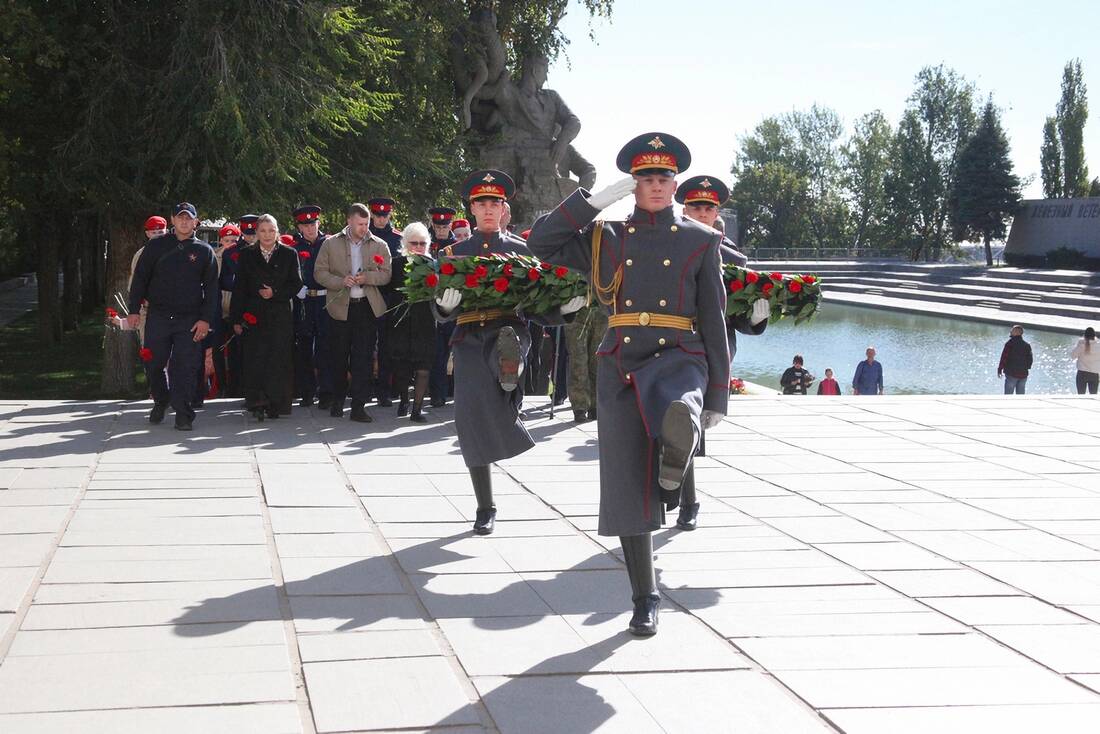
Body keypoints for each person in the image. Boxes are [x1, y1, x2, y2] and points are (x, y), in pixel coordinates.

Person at [528, 132, 730, 637]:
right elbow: (540, 243)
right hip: (621, 359)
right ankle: (645, 596)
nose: (656, 186)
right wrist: (594, 200)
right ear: (634, 185)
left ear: (675, 184)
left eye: (664, 178)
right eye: (646, 179)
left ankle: (677, 448)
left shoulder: (700, 240)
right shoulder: (606, 236)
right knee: (624, 484)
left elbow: (714, 319)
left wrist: (718, 396)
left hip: (679, 354)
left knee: (678, 405)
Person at [432, 169, 585, 536]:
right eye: (481, 203)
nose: (488, 209)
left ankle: (509, 372)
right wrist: (445, 305)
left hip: (510, 328)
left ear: (504, 209)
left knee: (507, 353)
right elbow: (436, 311)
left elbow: (537, 304)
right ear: (471, 209)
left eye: (494, 203)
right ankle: (485, 507)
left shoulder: (522, 250)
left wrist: (564, 311)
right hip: (469, 335)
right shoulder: (453, 253)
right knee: (469, 419)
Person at [674, 175, 768, 531]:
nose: (702, 213)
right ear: (685, 209)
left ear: (717, 213)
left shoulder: (733, 257)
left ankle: (687, 500)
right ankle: (682, 497)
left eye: (708, 207)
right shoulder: (665, 243)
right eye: (696, 207)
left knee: (686, 423)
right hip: (671, 341)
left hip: (710, 348)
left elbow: (742, 316)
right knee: (675, 423)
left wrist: (756, 318)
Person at [127, 203, 218, 431]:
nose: (184, 222)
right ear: (173, 220)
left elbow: (212, 290)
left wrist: (205, 319)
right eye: (180, 218)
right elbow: (140, 279)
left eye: (189, 218)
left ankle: (183, 412)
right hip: (158, 316)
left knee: (184, 366)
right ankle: (161, 399)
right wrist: (133, 311)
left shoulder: (205, 251)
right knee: (153, 362)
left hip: (189, 319)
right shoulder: (156, 246)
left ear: (196, 222)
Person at [314, 203, 392, 423]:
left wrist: (368, 278)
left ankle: (359, 405)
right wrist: (340, 282)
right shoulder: (330, 244)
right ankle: (338, 399)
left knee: (364, 358)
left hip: (366, 307)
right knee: (338, 356)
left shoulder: (379, 244)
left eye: (366, 224)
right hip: (339, 308)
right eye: (360, 224)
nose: (364, 228)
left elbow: (386, 274)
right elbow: (319, 272)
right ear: (349, 221)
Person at [229, 214, 302, 420]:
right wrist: (236, 319)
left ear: (277, 232)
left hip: (279, 314)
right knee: (255, 359)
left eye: (271, 230)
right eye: (263, 231)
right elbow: (239, 288)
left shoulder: (289, 254)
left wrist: (275, 292)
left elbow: (296, 284)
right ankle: (257, 402)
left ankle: (276, 404)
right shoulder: (247, 255)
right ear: (256, 233)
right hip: (254, 314)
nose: (267, 235)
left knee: (278, 359)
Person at [387, 222, 437, 422]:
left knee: (424, 366)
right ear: (405, 243)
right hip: (401, 320)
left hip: (424, 321)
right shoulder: (397, 263)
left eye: (422, 243)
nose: (418, 247)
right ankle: (404, 400)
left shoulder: (433, 265)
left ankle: (417, 409)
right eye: (414, 243)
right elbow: (389, 290)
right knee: (401, 366)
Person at [291, 205, 333, 409]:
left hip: (325, 299)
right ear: (299, 227)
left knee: (326, 348)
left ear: (318, 223)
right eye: (305, 225)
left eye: (313, 224)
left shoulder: (330, 243)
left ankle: (326, 392)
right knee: (304, 347)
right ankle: (307, 392)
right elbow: (288, 273)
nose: (310, 229)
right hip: (304, 300)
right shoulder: (294, 247)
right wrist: (295, 287)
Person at [219, 214, 258, 398]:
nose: (251, 237)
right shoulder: (232, 252)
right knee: (238, 351)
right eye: (248, 233)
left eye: (253, 233)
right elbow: (225, 281)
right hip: (240, 305)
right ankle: (237, 388)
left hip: (263, 305)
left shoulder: (269, 248)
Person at [369, 197, 402, 407]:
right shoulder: (364, 235)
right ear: (372, 214)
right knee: (364, 344)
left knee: (387, 347)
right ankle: (363, 387)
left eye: (385, 215)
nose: (381, 220)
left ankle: (384, 390)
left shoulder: (397, 238)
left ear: (389, 215)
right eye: (377, 215)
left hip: (390, 297)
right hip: (367, 294)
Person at [428, 207, 458, 407]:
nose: (441, 230)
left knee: (456, 353)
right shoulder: (426, 244)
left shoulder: (459, 246)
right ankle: (437, 394)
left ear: (450, 225)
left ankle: (455, 392)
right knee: (436, 354)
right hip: (431, 306)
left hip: (454, 305)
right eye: (438, 226)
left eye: (444, 226)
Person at [128, 216, 169, 345]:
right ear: (147, 234)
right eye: (153, 232)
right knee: (150, 351)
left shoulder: (175, 251)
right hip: (148, 310)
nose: (157, 236)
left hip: (172, 311)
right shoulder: (140, 255)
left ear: (166, 232)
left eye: (160, 232)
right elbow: (135, 284)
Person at [564, 301, 608, 423]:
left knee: (597, 360)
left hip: (601, 309)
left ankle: (594, 405)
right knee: (579, 360)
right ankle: (579, 407)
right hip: (577, 309)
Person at [997, 325, 1033, 395]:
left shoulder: (1010, 344)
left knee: (1008, 396)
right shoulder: (1027, 345)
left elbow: (1004, 357)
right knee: (1020, 396)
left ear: (1017, 332)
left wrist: (999, 369)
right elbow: (1030, 359)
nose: (1010, 331)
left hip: (1011, 373)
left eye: (1012, 330)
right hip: (1023, 374)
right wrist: (1026, 368)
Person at [1072, 327, 1100, 394]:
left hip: (1082, 373)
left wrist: (1078, 344)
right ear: (1094, 335)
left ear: (1084, 335)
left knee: (1081, 396)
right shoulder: (1098, 345)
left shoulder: (1081, 344)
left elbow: (1072, 356)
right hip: (1094, 374)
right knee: (1093, 396)